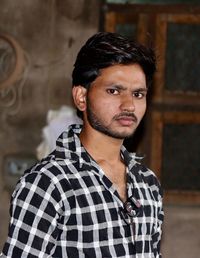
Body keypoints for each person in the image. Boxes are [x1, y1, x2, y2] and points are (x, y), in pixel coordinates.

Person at [1, 32, 164, 258]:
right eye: (114, 91)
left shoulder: (147, 183)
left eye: (138, 94)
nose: (129, 105)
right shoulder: (48, 184)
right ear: (81, 97)